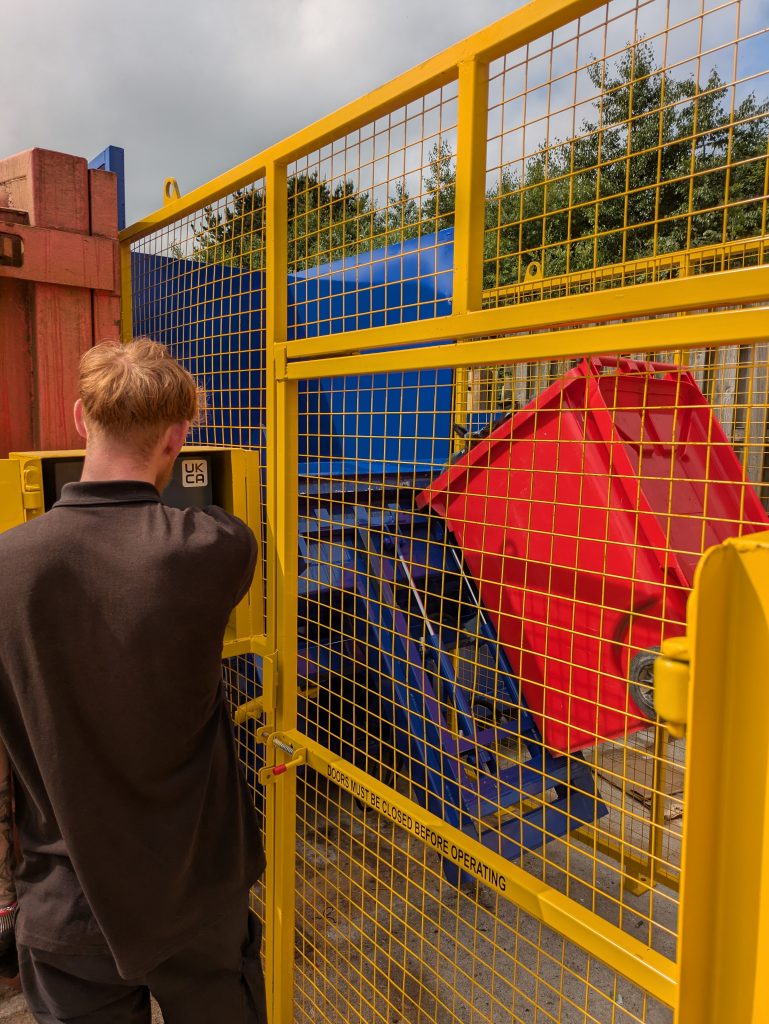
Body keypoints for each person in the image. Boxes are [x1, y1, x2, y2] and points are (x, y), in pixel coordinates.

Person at [0, 339, 267, 1023]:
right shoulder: (216, 546)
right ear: (178, 437)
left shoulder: (6, 565)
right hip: (195, 892)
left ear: (79, 419)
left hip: (66, 898)